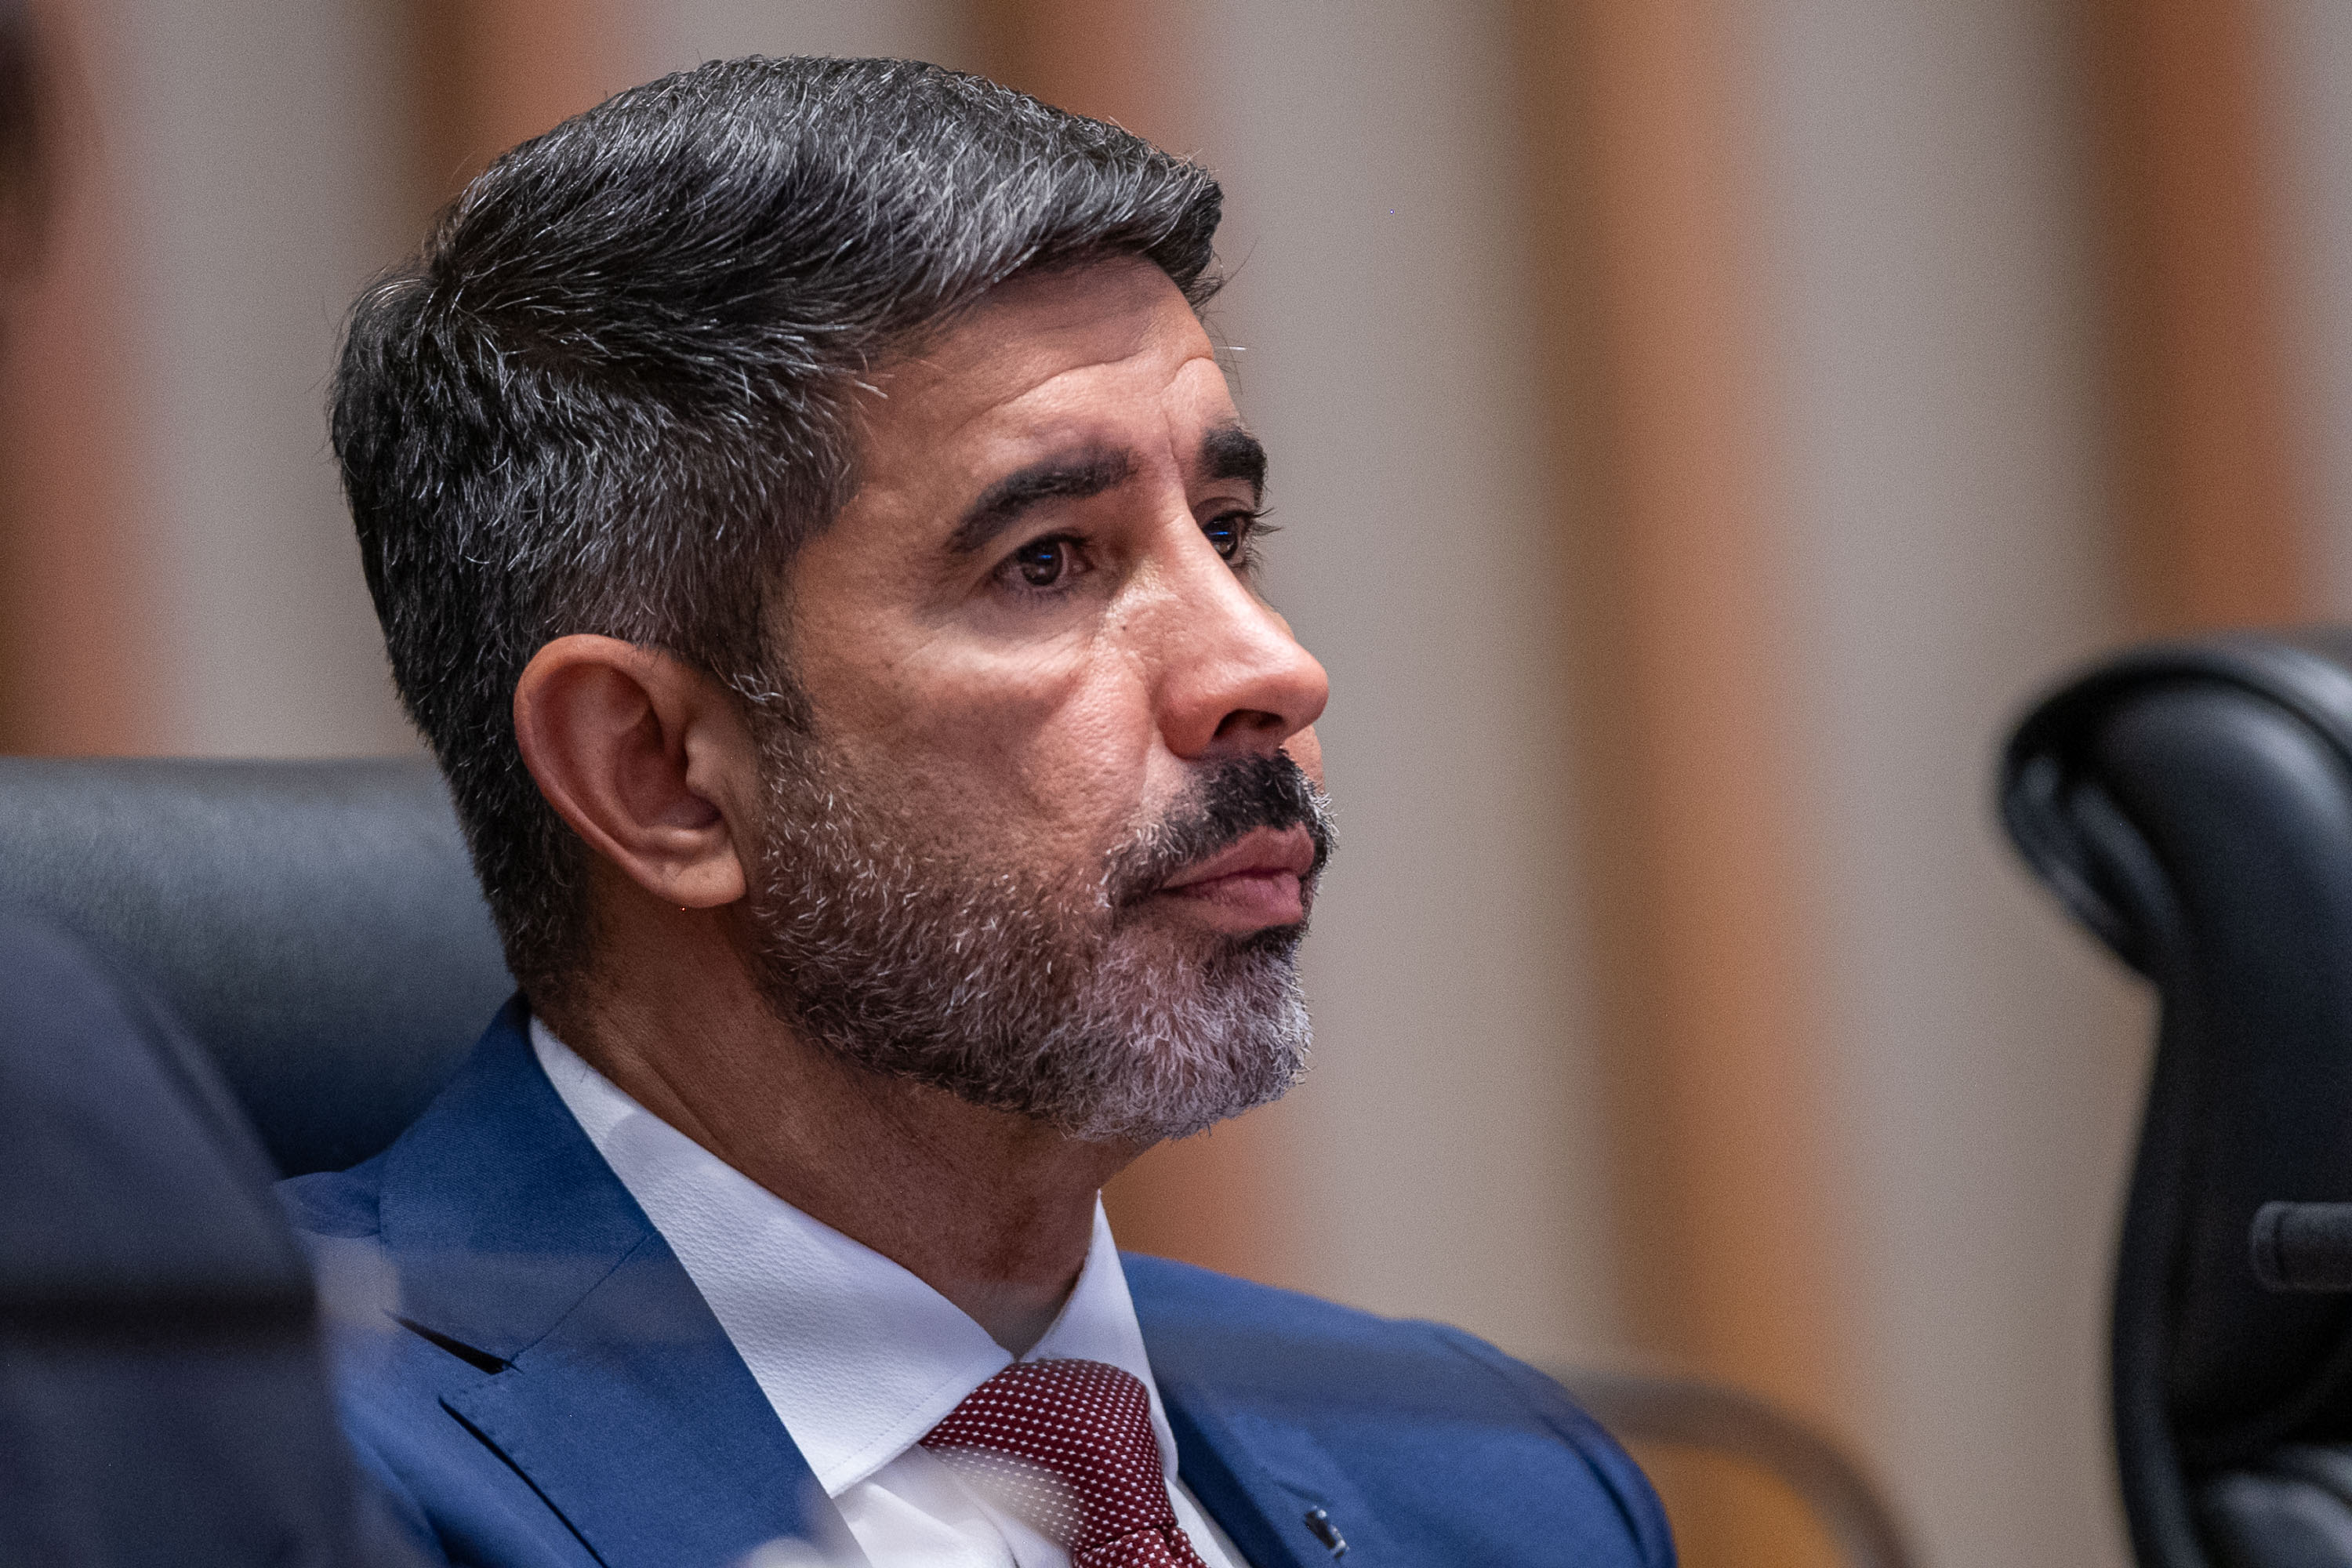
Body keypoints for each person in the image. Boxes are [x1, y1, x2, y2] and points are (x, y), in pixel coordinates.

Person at [285, 56, 1672, 1568]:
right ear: (659, 772)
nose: (1271, 670)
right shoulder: (247, 1462)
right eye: (1047, 561)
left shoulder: (1502, 1486)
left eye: (1225, 533)